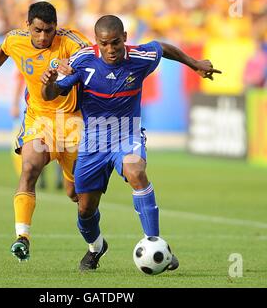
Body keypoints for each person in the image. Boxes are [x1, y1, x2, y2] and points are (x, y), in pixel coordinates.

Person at [41, 15, 221, 271]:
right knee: (84, 208)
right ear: (97, 42)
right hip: (93, 140)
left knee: (136, 171)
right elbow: (51, 95)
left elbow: (162, 47)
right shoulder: (82, 61)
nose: (111, 49)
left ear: (125, 38)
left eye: (115, 42)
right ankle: (96, 248)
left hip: (127, 134)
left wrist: (194, 64)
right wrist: (48, 84)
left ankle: (156, 243)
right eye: (104, 44)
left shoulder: (139, 57)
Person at [0, 1, 90, 262]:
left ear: (56, 28)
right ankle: (22, 237)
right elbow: (3, 51)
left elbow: (91, 60)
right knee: (30, 168)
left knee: (76, 195)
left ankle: (95, 243)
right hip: (39, 118)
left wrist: (77, 70)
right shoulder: (16, 39)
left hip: (73, 123)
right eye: (38, 30)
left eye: (49, 31)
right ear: (28, 26)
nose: (44, 36)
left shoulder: (71, 42)